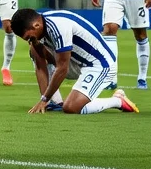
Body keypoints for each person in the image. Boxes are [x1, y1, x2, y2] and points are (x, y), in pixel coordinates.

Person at [11, 8, 139, 115]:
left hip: (100, 65)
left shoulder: (58, 26)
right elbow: (40, 67)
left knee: (71, 108)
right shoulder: (41, 26)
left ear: (36, 25)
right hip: (77, 62)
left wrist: (44, 99)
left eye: (29, 37)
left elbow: (62, 68)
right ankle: (54, 103)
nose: (30, 40)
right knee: (34, 50)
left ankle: (118, 100)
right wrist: (45, 99)